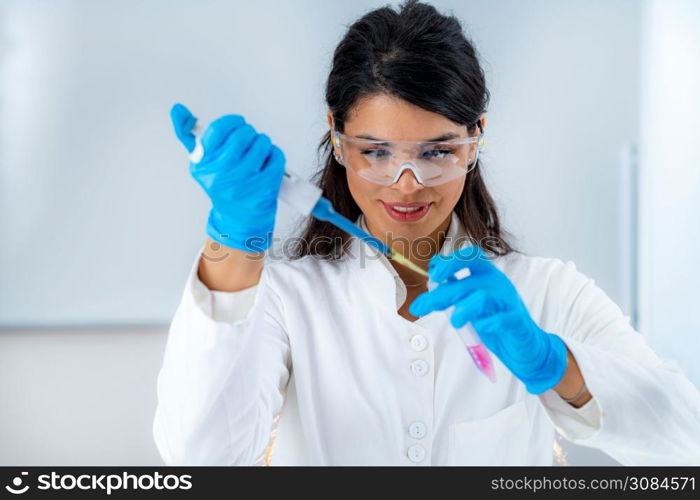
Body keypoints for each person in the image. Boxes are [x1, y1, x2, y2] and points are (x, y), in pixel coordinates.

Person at [153, 0, 700, 465]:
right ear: (337, 139)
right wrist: (232, 242)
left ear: (476, 136)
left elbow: (685, 442)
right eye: (376, 152)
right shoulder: (284, 299)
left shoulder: (548, 293)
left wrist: (555, 363)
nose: (406, 184)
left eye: (437, 152)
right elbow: (200, 457)